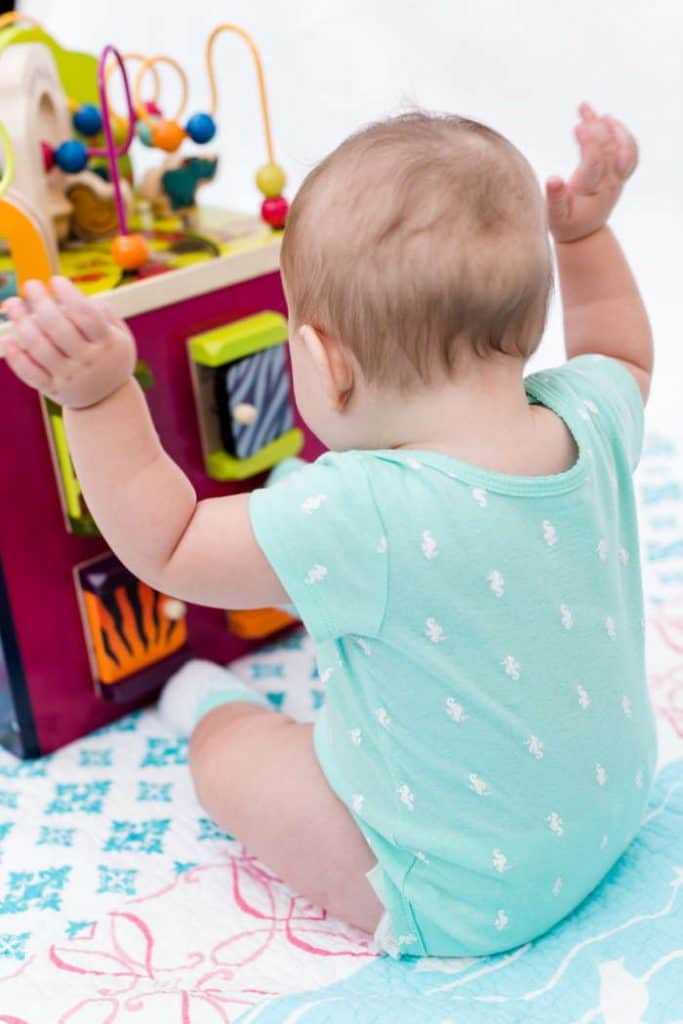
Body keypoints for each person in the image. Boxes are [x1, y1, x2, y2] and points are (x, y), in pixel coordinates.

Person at [3, 102, 656, 958]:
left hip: (465, 898)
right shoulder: (592, 413)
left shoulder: (362, 512)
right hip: (611, 804)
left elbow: (169, 544)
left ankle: (220, 712)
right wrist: (584, 239)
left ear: (323, 362)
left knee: (234, 761)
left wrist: (98, 399)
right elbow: (623, 350)